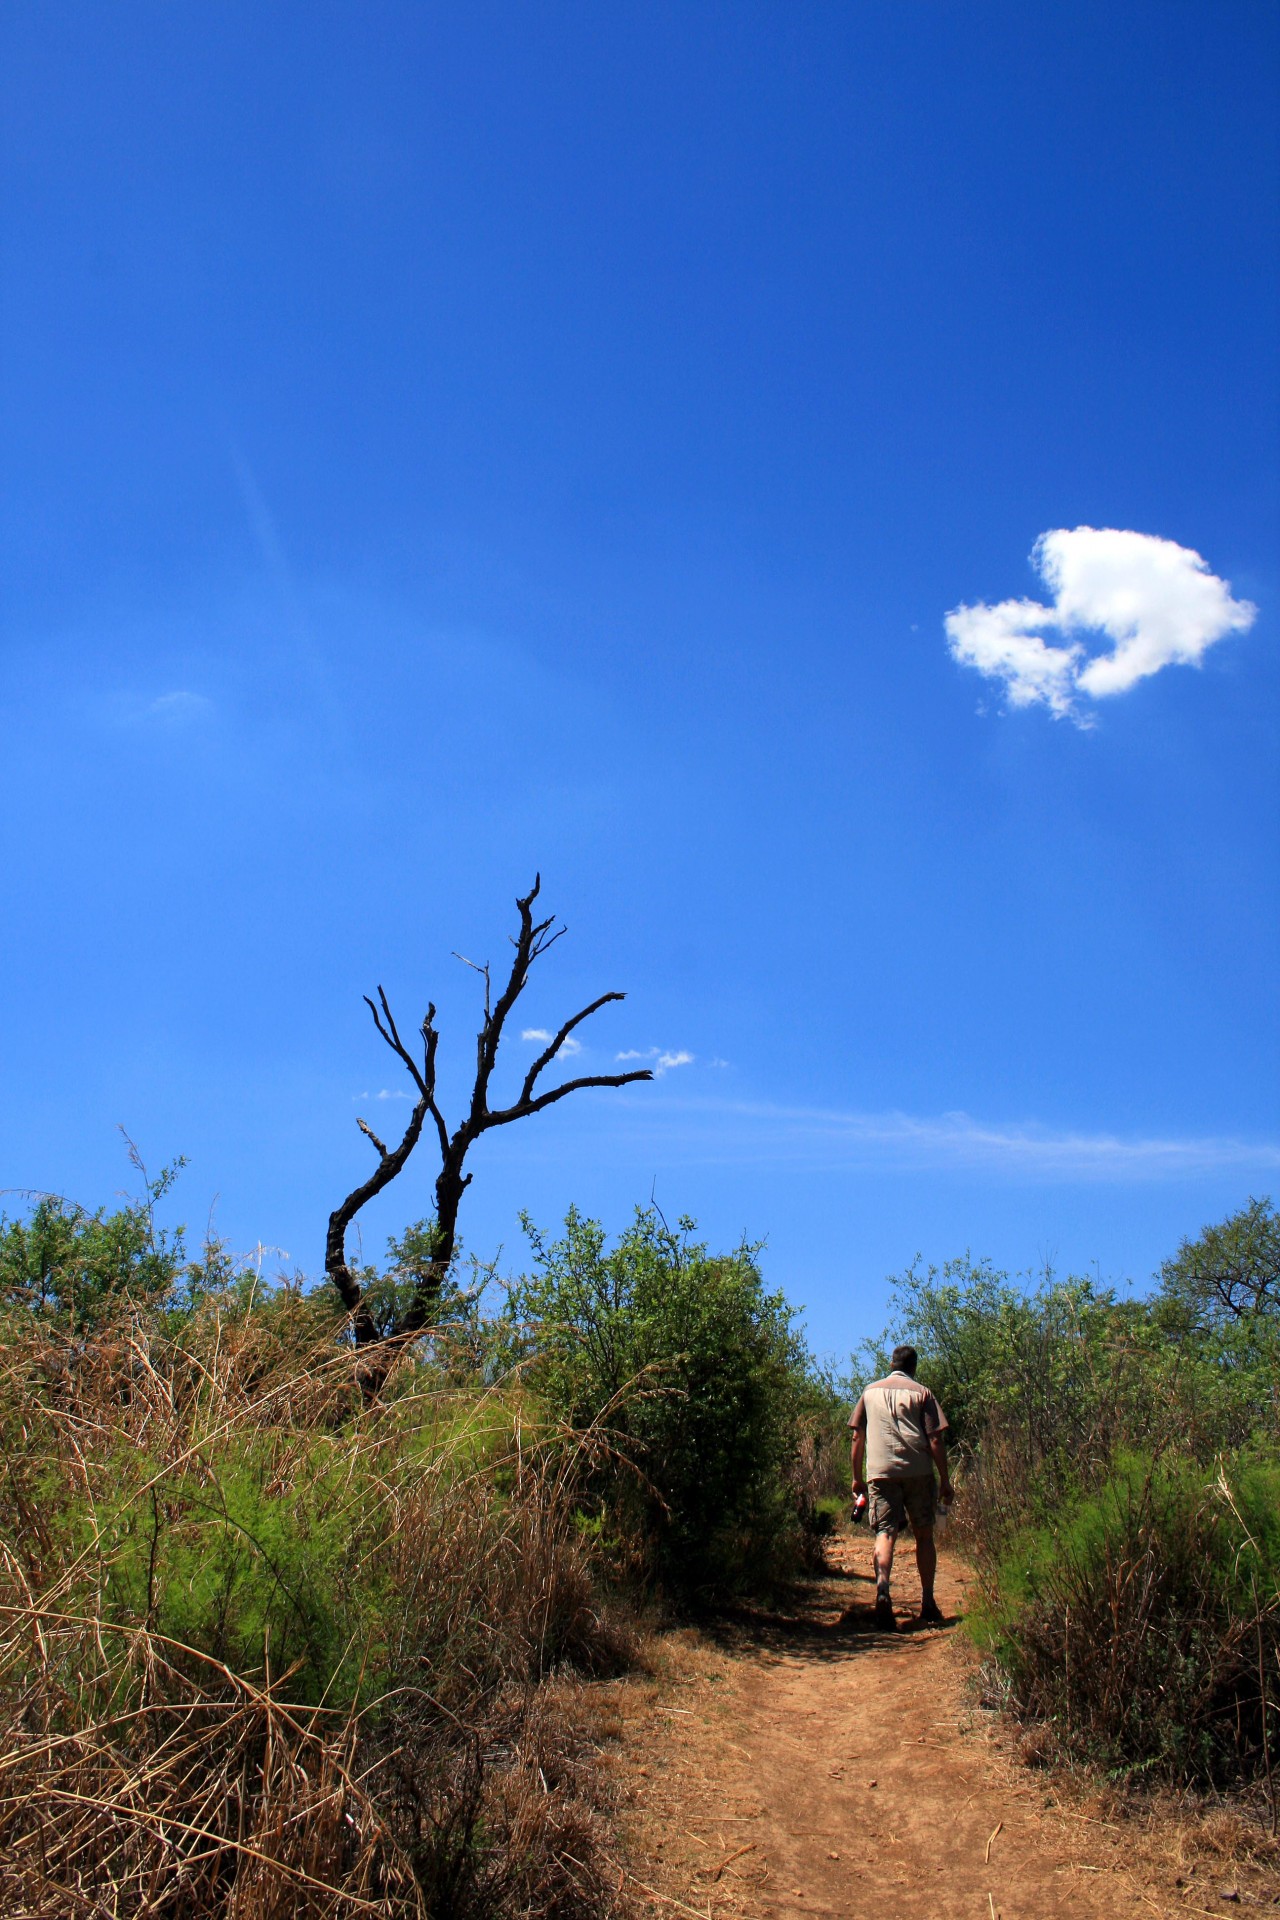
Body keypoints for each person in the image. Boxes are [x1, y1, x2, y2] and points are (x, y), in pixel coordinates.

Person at [849, 1344, 954, 1629]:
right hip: (918, 1471)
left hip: (880, 1472)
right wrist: (945, 1479)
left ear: (891, 1364)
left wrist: (857, 1477)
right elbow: (935, 1439)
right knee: (924, 1535)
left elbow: (857, 1437)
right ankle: (928, 1602)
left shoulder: (869, 1392)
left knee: (885, 1532)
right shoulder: (923, 1393)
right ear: (913, 1367)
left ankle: (883, 1591)